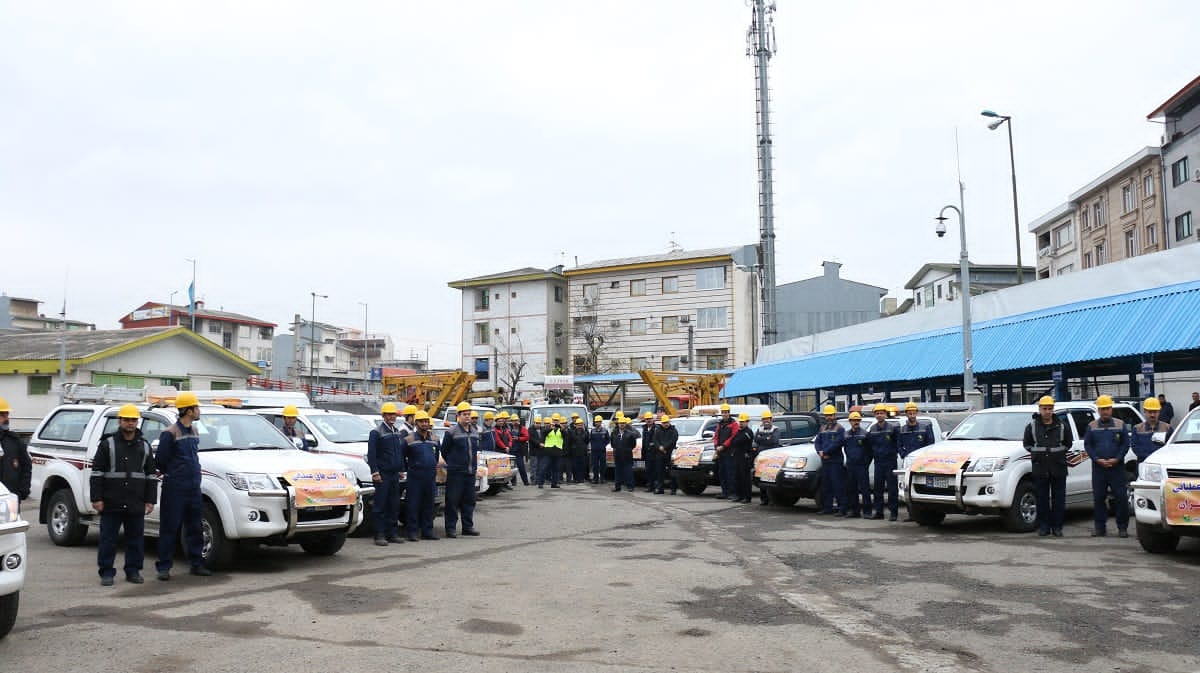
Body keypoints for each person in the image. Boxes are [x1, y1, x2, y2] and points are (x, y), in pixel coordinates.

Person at [90, 404, 156, 585]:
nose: (130, 423)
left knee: (135, 540)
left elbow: (151, 475)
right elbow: (96, 473)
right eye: (126, 419)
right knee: (108, 540)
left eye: (133, 420)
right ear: (120, 421)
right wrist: (97, 498)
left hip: (136, 502)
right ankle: (106, 573)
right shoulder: (107, 444)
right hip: (112, 501)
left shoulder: (144, 446)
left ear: (137, 422)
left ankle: (133, 571)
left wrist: (150, 501)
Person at [155, 391, 210, 579]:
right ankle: (164, 567)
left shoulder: (194, 431)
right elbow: (160, 460)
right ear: (188, 410)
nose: (198, 410)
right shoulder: (169, 433)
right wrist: (175, 474)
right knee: (170, 527)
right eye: (196, 407)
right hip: (175, 488)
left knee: (195, 527)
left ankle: (196, 563)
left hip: (193, 487)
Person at [1022, 396, 1071, 537]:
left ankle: (1057, 527)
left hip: (1058, 468)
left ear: (1053, 409)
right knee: (1042, 499)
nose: (1047, 411)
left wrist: (1055, 453)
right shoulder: (1031, 426)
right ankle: (1044, 526)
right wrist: (1039, 453)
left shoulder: (1062, 425)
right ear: (1039, 409)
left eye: (1050, 408)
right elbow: (1027, 444)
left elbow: (1068, 444)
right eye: (1045, 408)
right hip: (1040, 468)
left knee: (1059, 500)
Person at [1084, 395, 1131, 538]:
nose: (1105, 411)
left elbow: (1125, 444)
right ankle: (1100, 528)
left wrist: (1117, 458)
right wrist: (1097, 459)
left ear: (1111, 409)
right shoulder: (1091, 426)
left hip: (1117, 468)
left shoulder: (1120, 424)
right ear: (1098, 410)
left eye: (1108, 408)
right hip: (1099, 469)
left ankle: (1122, 528)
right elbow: (1088, 445)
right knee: (1099, 498)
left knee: (1121, 498)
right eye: (1102, 409)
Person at [367, 402, 406, 546]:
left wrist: (401, 469)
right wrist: (375, 472)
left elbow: (399, 453)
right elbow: (371, 454)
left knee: (394, 504)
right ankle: (379, 534)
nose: (392, 417)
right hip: (382, 474)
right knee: (380, 505)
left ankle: (392, 533)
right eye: (389, 414)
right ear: (383, 415)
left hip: (394, 474)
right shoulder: (376, 432)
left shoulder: (396, 431)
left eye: (393, 414)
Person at [440, 401, 481, 537]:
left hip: (470, 473)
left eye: (469, 414)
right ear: (458, 415)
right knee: (452, 501)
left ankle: (467, 527)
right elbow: (444, 451)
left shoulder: (475, 432)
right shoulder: (451, 432)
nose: (467, 417)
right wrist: (454, 464)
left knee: (469, 501)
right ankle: (450, 528)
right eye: (464, 414)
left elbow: (475, 452)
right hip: (456, 474)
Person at [399, 411, 439, 541]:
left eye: (426, 421)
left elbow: (436, 456)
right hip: (415, 477)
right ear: (416, 423)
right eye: (422, 421)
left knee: (429, 505)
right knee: (413, 505)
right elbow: (401, 456)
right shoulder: (408, 439)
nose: (425, 424)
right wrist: (408, 468)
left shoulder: (434, 439)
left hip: (430, 477)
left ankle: (428, 531)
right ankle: (412, 532)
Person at [866, 405, 900, 521]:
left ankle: (893, 513)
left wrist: (893, 454)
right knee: (878, 488)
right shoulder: (873, 429)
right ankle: (879, 512)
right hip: (878, 462)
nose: (879, 415)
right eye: (877, 413)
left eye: (881, 413)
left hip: (890, 462)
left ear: (885, 414)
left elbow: (897, 443)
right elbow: (870, 446)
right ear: (875, 415)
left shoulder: (892, 428)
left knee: (892, 488)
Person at [814, 405, 846, 516]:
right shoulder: (822, 428)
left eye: (831, 415)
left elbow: (837, 443)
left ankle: (842, 508)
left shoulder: (840, 429)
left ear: (834, 415)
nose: (829, 417)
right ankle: (827, 508)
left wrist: (826, 452)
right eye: (827, 415)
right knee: (826, 485)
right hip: (825, 461)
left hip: (835, 461)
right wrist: (820, 452)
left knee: (838, 485)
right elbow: (817, 442)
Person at [0, 397, 31, 503]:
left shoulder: (14, 441)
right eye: (2, 415)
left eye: (7, 415)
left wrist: (22, 491)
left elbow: (26, 465)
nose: (6, 419)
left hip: (11, 500)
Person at [842, 411, 872, 518]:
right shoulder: (846, 434)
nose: (856, 422)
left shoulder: (865, 434)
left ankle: (867, 512)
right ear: (850, 421)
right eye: (854, 420)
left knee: (865, 489)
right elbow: (845, 449)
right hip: (851, 465)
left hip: (861, 466)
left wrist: (865, 463)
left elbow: (870, 451)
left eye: (857, 420)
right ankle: (855, 511)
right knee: (852, 489)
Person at [1131, 397, 1171, 464]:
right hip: (1143, 463)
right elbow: (1135, 446)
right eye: (1150, 412)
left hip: (1161, 463)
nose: (1152, 415)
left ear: (1159, 411)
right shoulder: (1137, 428)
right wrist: (1148, 457)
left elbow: (1170, 447)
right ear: (1144, 411)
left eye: (1155, 412)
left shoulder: (1167, 428)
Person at [753, 411, 781, 505]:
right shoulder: (759, 429)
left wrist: (763, 439)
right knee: (762, 479)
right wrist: (766, 438)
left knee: (772, 479)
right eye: (764, 419)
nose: (766, 421)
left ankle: (772, 500)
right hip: (762, 459)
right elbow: (756, 439)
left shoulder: (775, 429)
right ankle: (764, 499)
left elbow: (774, 440)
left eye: (768, 419)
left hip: (772, 459)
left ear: (771, 419)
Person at [713, 404, 739, 499]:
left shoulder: (734, 424)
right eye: (723, 412)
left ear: (729, 413)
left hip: (729, 452)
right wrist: (716, 446)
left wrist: (723, 446)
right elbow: (716, 436)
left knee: (730, 473)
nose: (724, 414)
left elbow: (733, 437)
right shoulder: (720, 424)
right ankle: (725, 492)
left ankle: (732, 492)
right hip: (721, 452)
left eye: (726, 412)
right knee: (722, 473)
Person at [731, 412, 756, 503]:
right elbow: (733, 441)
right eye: (740, 421)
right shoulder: (739, 431)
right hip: (738, 456)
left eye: (743, 421)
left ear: (747, 422)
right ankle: (739, 495)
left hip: (745, 457)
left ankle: (747, 497)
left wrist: (736, 441)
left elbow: (738, 441)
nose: (741, 423)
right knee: (737, 477)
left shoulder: (748, 432)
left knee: (745, 478)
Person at [611, 415, 638, 493]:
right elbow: (612, 444)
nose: (622, 424)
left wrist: (627, 449)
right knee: (617, 471)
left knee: (628, 471)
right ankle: (617, 486)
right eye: (620, 423)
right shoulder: (614, 433)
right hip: (618, 455)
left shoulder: (630, 434)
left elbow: (633, 444)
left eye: (623, 423)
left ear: (625, 424)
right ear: (618, 424)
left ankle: (630, 486)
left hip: (627, 455)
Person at [539, 414, 565, 489]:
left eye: (557, 420)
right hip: (548, 451)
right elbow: (543, 434)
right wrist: (551, 428)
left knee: (556, 469)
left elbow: (566, 436)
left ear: (559, 421)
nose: (555, 422)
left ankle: (554, 483)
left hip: (558, 451)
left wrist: (562, 429)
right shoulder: (547, 428)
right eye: (554, 420)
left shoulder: (561, 429)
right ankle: (540, 483)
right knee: (544, 467)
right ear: (552, 420)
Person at [657, 414, 679, 495]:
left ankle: (673, 489)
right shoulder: (658, 430)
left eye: (666, 422)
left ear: (669, 422)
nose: (665, 424)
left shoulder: (673, 430)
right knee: (660, 472)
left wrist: (665, 447)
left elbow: (673, 440)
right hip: (660, 454)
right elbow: (655, 440)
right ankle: (660, 488)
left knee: (671, 472)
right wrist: (659, 447)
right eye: (664, 423)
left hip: (670, 453)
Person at [640, 412, 660, 493]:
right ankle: (650, 486)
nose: (648, 420)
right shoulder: (644, 428)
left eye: (650, 419)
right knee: (648, 470)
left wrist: (653, 445)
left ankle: (656, 487)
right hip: (647, 453)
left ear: (653, 419)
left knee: (656, 471)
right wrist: (643, 452)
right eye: (647, 419)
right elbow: (643, 441)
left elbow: (658, 440)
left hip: (655, 453)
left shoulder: (657, 428)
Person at [567, 417, 590, 483]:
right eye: (578, 425)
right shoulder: (572, 432)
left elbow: (587, 441)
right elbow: (570, 441)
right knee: (575, 466)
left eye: (581, 425)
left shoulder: (586, 433)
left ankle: (581, 478)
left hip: (583, 452)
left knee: (582, 466)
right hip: (574, 452)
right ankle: (575, 478)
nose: (579, 426)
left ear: (582, 425)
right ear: (575, 425)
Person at [588, 415, 610, 484]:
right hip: (594, 451)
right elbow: (590, 439)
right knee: (595, 466)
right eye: (596, 422)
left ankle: (602, 478)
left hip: (602, 451)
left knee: (603, 465)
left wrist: (603, 446)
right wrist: (593, 446)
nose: (597, 423)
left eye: (598, 422)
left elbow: (608, 440)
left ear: (601, 422)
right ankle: (595, 479)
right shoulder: (592, 431)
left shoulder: (605, 430)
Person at [509, 415, 530, 487]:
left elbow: (527, 437)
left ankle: (526, 482)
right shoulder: (509, 428)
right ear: (511, 421)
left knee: (521, 467)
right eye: (514, 421)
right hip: (511, 451)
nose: (515, 422)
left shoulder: (522, 428)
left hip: (519, 451)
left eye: (516, 420)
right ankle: (513, 482)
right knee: (512, 468)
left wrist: (518, 438)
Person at [528, 416, 544, 483]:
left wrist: (543, 443)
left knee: (539, 466)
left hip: (541, 451)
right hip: (534, 451)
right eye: (537, 423)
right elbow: (532, 439)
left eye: (539, 423)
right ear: (534, 423)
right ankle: (533, 479)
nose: (538, 424)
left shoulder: (542, 429)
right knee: (533, 466)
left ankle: (538, 479)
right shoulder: (530, 429)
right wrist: (539, 444)